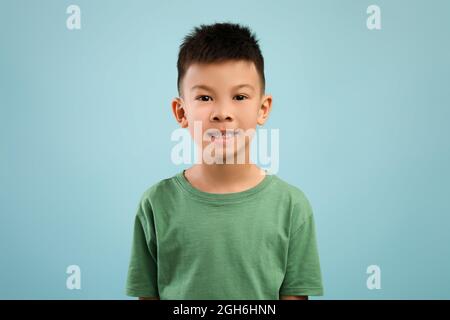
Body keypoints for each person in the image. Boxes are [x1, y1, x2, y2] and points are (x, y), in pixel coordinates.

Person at [125, 22, 324, 300]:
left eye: (240, 96)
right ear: (181, 112)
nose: (223, 113)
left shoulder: (292, 207)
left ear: (263, 108)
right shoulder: (156, 205)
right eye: (205, 97)